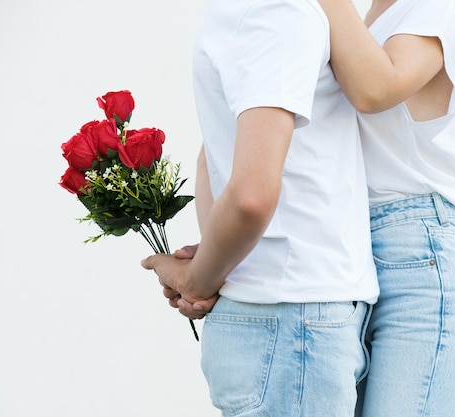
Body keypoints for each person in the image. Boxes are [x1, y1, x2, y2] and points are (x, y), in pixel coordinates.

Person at [178, 0, 455, 416]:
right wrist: (217, 260)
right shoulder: (365, 17)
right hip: (359, 268)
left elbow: (374, 89)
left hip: (423, 268)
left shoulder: (436, 5)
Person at [140, 0, 379, 416]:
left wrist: (214, 265)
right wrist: (199, 278)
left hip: (281, 320)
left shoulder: (238, 14)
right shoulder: (280, 12)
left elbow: (213, 163)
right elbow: (251, 196)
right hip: (295, 320)